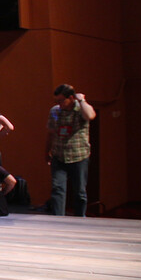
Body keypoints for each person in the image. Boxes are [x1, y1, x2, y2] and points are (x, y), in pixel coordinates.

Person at [46, 84, 96, 217]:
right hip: (59, 156)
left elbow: (90, 116)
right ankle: (59, 220)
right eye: (57, 101)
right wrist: (47, 151)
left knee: (79, 192)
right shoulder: (55, 111)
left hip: (78, 157)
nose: (59, 104)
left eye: (62, 100)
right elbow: (50, 133)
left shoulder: (81, 109)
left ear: (71, 98)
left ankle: (80, 219)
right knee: (58, 189)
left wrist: (82, 100)